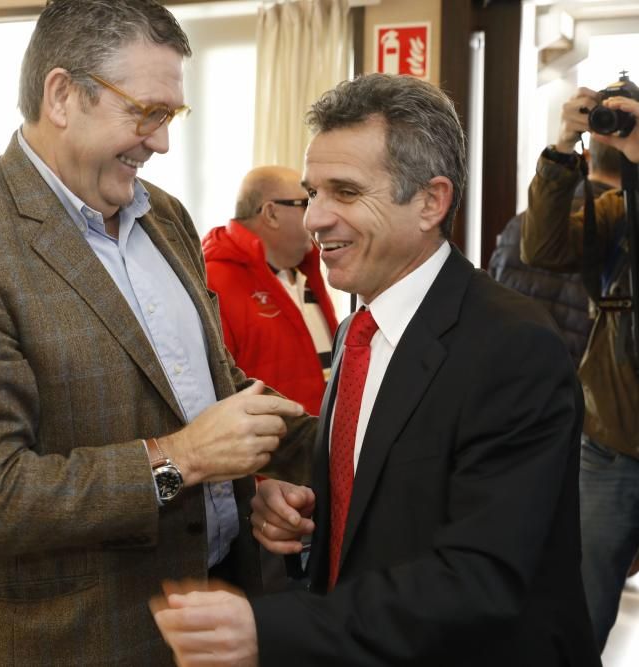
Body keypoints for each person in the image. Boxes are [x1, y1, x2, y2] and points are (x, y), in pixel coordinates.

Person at [0, 1, 312, 664]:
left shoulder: (164, 217)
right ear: (62, 95)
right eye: (147, 112)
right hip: (78, 640)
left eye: (171, 115)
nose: (162, 141)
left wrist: (258, 475)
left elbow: (209, 384)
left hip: (220, 608)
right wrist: (184, 458)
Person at [152, 73, 601, 667]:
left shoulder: (514, 348)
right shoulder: (358, 332)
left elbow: (481, 578)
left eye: (345, 192)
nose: (314, 220)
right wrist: (311, 508)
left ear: (430, 202)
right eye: (312, 193)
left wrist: (268, 626)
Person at [522, 86, 639, 652]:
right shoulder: (615, 212)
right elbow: (541, 247)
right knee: (579, 614)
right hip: (612, 438)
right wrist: (563, 147)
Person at [203, 166, 338, 414]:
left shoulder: (305, 275)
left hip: (316, 443)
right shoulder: (214, 282)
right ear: (271, 213)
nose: (320, 216)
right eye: (307, 203)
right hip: (268, 448)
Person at [488, 142, 623, 367]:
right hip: (584, 391)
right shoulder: (622, 230)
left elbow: (489, 306)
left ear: (587, 156)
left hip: (512, 377)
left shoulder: (521, 224)